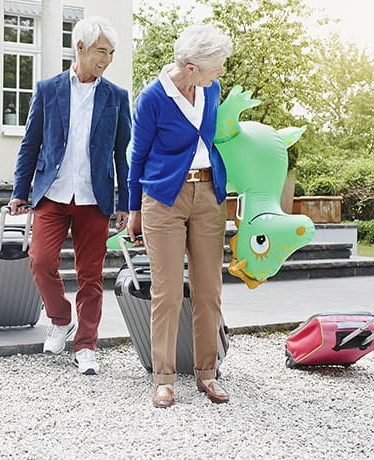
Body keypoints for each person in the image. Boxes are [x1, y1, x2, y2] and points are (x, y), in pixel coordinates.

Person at [8, 16, 131, 376]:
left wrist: (125, 202)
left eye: (111, 53)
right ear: (80, 47)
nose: (107, 59)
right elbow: (30, 145)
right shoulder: (48, 89)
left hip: (95, 198)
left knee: (90, 275)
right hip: (53, 194)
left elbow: (122, 153)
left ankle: (86, 345)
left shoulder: (117, 97)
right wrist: (20, 191)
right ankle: (61, 319)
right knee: (41, 261)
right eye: (101, 51)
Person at [127, 24, 232, 407]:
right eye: (216, 66)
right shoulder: (152, 98)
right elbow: (136, 157)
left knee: (209, 289)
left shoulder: (211, 90)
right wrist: (133, 209)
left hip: (207, 194)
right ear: (191, 67)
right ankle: (164, 379)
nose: (220, 72)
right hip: (163, 199)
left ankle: (207, 373)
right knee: (167, 292)